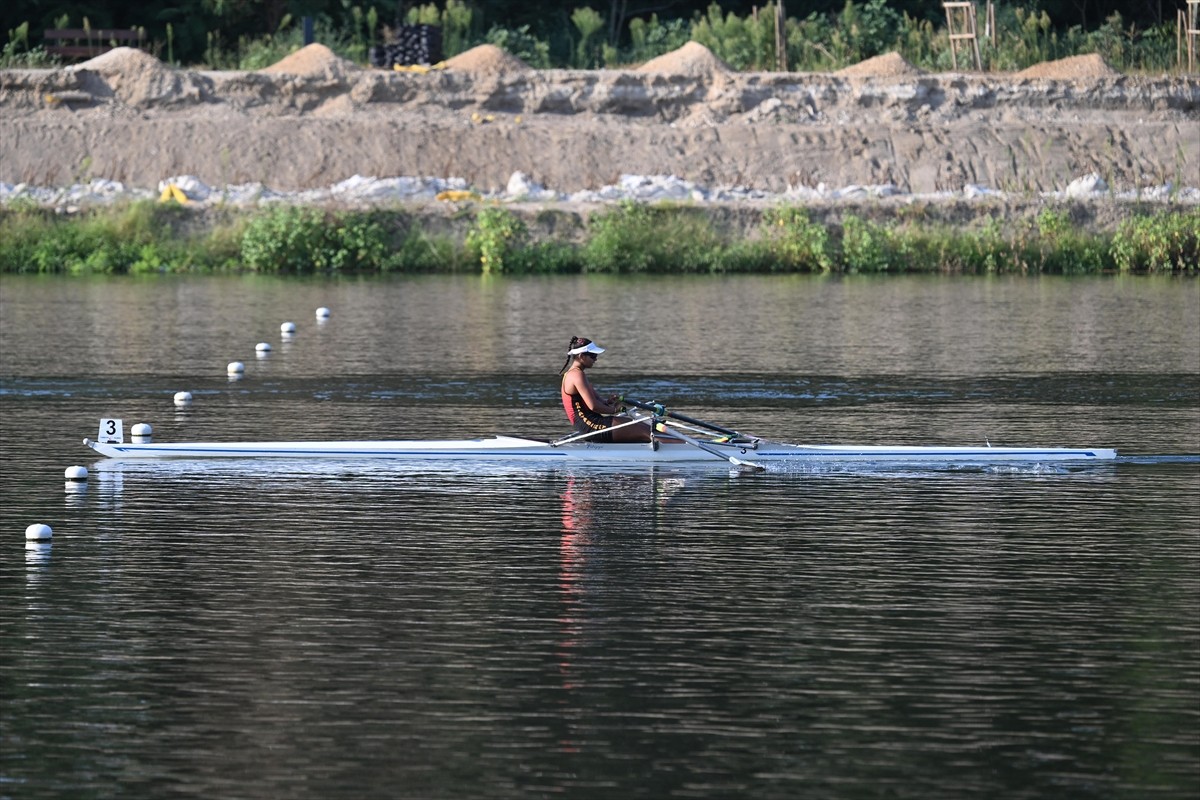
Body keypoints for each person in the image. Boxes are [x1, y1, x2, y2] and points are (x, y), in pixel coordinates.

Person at [559, 336, 655, 444]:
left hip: (593, 424)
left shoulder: (575, 374)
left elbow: (597, 401)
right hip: (592, 426)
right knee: (648, 431)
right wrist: (615, 410)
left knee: (646, 427)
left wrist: (608, 402)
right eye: (593, 355)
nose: (596, 359)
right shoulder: (577, 375)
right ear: (581, 356)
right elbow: (593, 406)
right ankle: (672, 448)